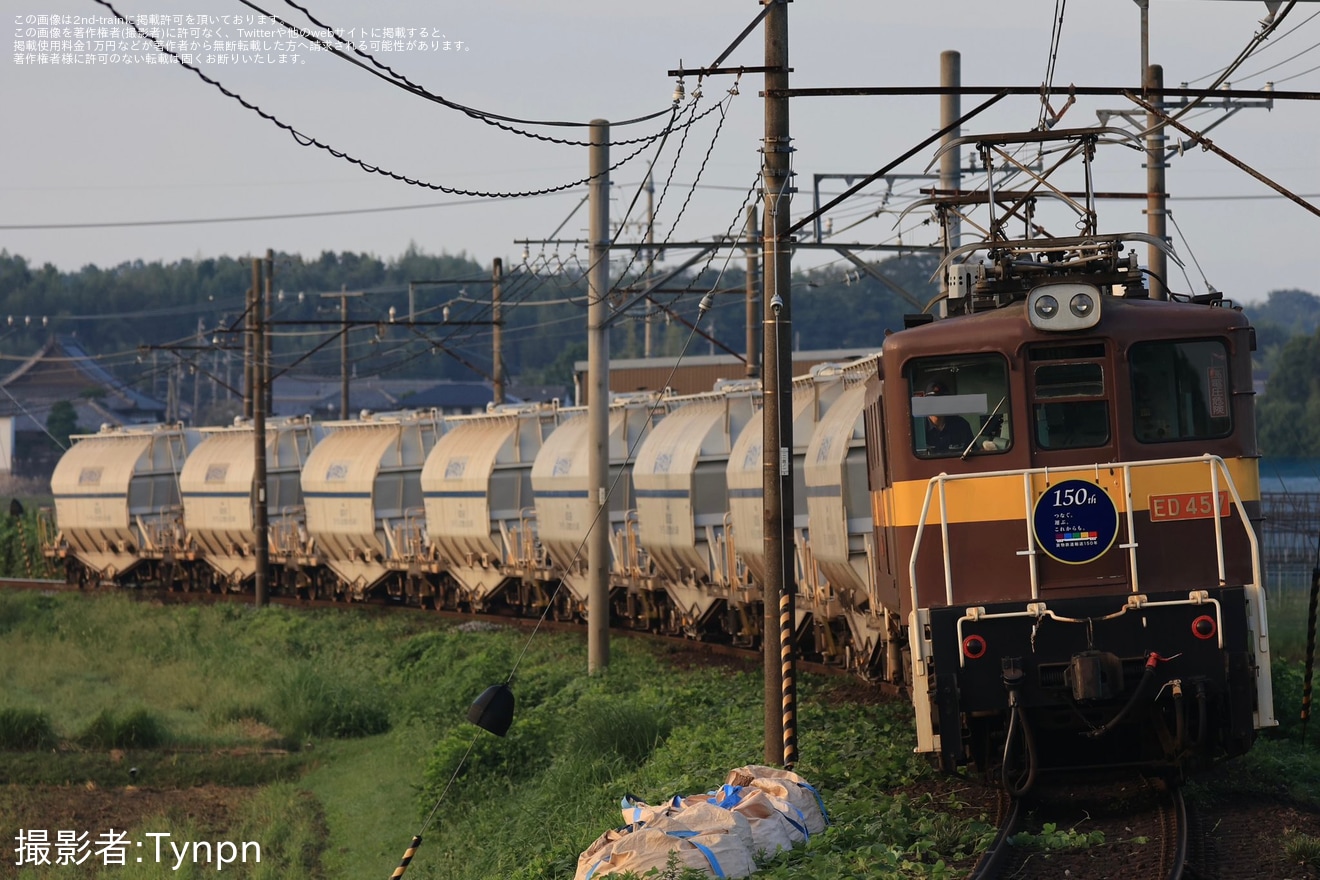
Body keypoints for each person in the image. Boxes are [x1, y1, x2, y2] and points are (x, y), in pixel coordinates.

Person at [923, 381, 975, 454]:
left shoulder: (961, 425)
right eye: (932, 400)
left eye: (941, 400)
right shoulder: (917, 429)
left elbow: (974, 453)